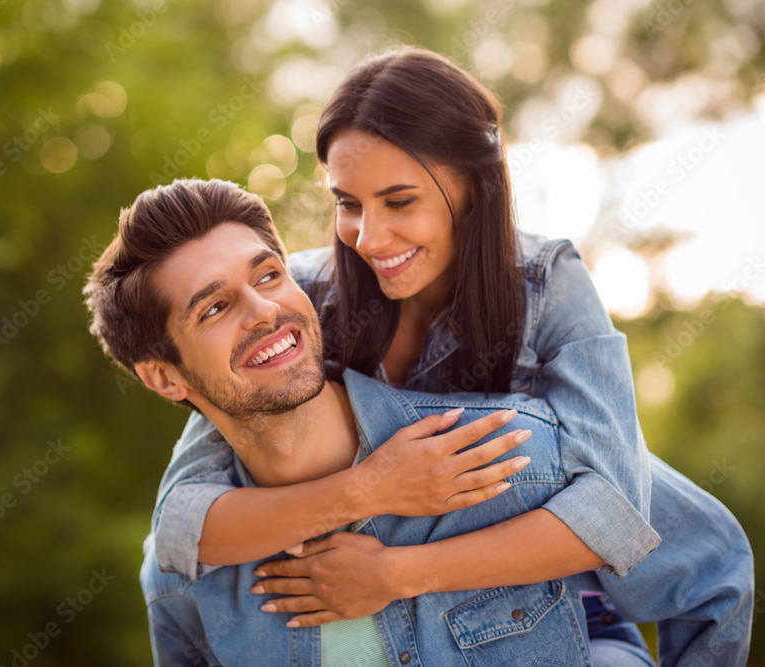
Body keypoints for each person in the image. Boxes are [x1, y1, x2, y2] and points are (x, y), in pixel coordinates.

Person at [140, 47, 754, 665]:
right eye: (349, 203)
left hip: (549, 609)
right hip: (392, 624)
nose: (369, 239)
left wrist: (398, 573)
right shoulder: (296, 303)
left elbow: (614, 513)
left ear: (472, 185)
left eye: (400, 201)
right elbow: (182, 524)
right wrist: (369, 490)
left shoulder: (547, 288)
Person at [85, 177, 649, 665]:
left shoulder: (505, 452)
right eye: (213, 308)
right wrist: (367, 489)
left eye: (268, 276)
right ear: (164, 378)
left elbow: (663, 542)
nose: (264, 312)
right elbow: (176, 530)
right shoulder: (184, 584)